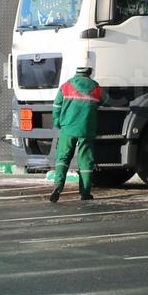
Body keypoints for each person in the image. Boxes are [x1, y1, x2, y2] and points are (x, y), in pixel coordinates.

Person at [49, 65, 100, 203]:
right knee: (86, 161)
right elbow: (104, 101)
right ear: (89, 73)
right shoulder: (96, 87)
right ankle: (85, 193)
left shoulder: (66, 86)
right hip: (86, 129)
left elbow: (56, 106)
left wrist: (57, 122)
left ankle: (58, 187)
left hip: (68, 128)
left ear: (76, 73)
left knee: (63, 157)